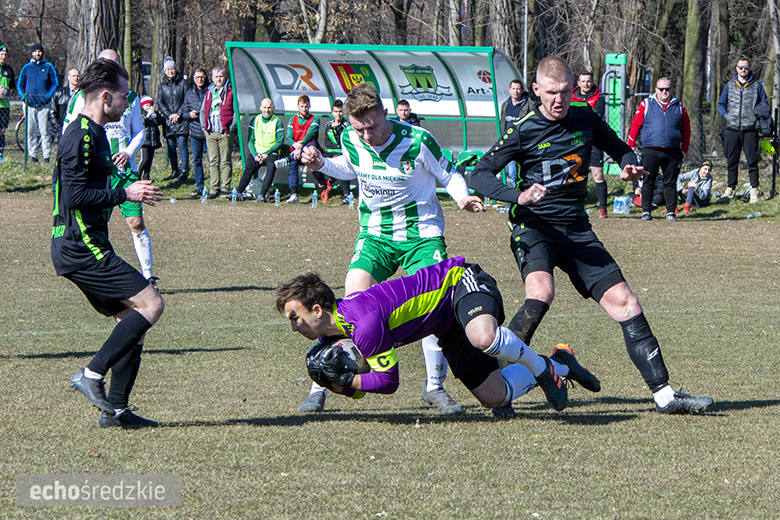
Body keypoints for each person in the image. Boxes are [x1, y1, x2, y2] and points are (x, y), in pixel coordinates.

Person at [468, 56, 713, 415]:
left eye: (565, 91)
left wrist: (628, 163)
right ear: (536, 90)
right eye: (551, 93)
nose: (559, 100)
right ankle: (500, 386)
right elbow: (480, 175)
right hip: (534, 227)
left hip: (577, 229)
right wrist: (517, 196)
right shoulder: (522, 128)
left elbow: (617, 145)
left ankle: (665, 397)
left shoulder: (585, 116)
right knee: (541, 293)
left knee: (627, 302)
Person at [301, 82, 485, 414]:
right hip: (375, 234)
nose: (367, 135)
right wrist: (321, 165)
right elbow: (350, 167)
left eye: (372, 126)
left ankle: (434, 388)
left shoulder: (417, 141)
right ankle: (321, 385)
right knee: (349, 302)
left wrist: (462, 197)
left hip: (421, 236)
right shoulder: (350, 137)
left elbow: (448, 173)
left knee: (434, 308)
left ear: (385, 114)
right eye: (360, 128)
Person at [276, 257, 602, 412]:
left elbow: (388, 383)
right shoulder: (333, 337)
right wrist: (342, 388)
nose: (294, 327)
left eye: (295, 317)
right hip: (444, 324)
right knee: (494, 397)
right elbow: (363, 389)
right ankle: (561, 363)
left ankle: (543, 371)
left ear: (317, 309)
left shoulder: (364, 325)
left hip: (460, 282)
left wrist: (344, 383)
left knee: (483, 336)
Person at [52, 58, 164, 428]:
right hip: (82, 246)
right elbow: (75, 197)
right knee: (151, 303)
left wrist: (128, 182)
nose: (127, 100)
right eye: (122, 94)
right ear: (105, 97)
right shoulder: (80, 135)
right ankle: (91, 374)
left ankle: (116, 411)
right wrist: (124, 191)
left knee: (131, 322)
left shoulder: (96, 133)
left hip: (88, 243)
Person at [62, 49, 159, 287]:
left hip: (125, 172)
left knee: (136, 222)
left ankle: (148, 275)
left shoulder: (130, 96)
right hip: (99, 172)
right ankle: (100, 270)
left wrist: (127, 152)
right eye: (106, 64)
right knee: (97, 223)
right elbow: (68, 129)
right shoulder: (82, 100)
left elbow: (139, 131)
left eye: (114, 64)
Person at [628, 77, 690, 222]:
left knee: (670, 183)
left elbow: (686, 129)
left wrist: (684, 149)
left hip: (672, 151)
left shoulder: (680, 107)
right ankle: (646, 211)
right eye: (661, 89)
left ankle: (671, 212)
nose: (664, 92)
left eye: (667, 89)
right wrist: (630, 145)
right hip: (650, 150)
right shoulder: (646, 104)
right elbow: (635, 125)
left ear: (671, 90)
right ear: (656, 89)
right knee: (648, 181)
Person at [718, 58, 769, 204]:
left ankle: (754, 190)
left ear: (749, 68)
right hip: (732, 128)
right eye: (740, 67)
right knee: (731, 161)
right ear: (736, 68)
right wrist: (726, 115)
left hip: (750, 129)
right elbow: (721, 104)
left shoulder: (757, 85)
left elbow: (764, 103)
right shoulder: (729, 85)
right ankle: (730, 189)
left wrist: (756, 115)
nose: (743, 70)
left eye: (745, 67)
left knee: (752, 161)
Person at [573, 72, 609, 218]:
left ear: (592, 82)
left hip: (593, 139)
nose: (586, 84)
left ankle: (603, 208)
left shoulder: (599, 97)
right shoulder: (571, 96)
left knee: (597, 174)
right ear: (578, 82)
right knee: (575, 173)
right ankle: (577, 204)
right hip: (575, 139)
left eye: (589, 81)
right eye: (583, 81)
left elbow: (596, 116)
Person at [17, 43, 58, 163]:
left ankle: (46, 156)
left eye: (39, 51)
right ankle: (33, 155)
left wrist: (47, 97)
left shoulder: (49, 66)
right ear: (32, 53)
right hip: (29, 104)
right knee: (31, 131)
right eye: (35, 51)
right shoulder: (26, 67)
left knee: (45, 131)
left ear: (42, 53)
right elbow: (20, 84)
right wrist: (24, 97)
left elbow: (55, 83)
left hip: (44, 105)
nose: (37, 53)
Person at [236, 97, 283, 202]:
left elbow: (280, 141)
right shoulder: (255, 120)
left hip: (271, 152)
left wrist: (266, 153)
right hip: (257, 152)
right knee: (249, 167)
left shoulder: (277, 121)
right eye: (265, 107)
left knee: (271, 166)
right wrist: (255, 155)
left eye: (269, 107)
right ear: (260, 108)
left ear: (273, 108)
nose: (267, 110)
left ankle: (262, 194)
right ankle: (239, 192)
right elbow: (250, 141)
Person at [200, 66, 235, 199]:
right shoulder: (209, 92)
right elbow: (203, 110)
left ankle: (225, 189)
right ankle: (214, 189)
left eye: (221, 76)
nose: (218, 79)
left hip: (225, 131)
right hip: (211, 131)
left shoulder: (231, 91)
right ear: (212, 78)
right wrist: (204, 127)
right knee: (213, 161)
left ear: (225, 77)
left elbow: (236, 109)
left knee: (225, 161)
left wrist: (232, 127)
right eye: (216, 77)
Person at [157, 58, 189, 182]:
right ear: (165, 71)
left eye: (172, 69)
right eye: (168, 69)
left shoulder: (183, 83)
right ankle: (174, 170)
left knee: (182, 145)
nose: (171, 71)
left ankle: (184, 170)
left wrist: (178, 114)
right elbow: (160, 102)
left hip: (181, 120)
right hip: (168, 120)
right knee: (171, 146)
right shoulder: (162, 86)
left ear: (176, 70)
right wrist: (169, 115)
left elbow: (187, 99)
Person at [284, 94, 319, 204]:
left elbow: (310, 135)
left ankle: (324, 186)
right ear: (298, 107)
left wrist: (300, 147)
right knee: (294, 163)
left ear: (309, 106)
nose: (304, 109)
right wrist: (296, 146)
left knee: (312, 152)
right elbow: (289, 138)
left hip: (309, 150)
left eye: (306, 106)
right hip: (297, 150)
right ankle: (294, 194)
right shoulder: (292, 120)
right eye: (302, 106)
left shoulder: (314, 119)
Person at [315, 99, 351, 204]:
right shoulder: (328, 125)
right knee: (314, 161)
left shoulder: (347, 125)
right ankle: (325, 185)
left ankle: (346, 195)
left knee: (343, 165)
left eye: (340, 111)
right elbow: (327, 143)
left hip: (343, 152)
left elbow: (343, 142)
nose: (338, 114)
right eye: (335, 111)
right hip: (330, 152)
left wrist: (337, 129)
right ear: (332, 113)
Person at [498, 80, 530, 189]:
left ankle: (523, 194)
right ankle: (515, 196)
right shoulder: (505, 105)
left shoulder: (529, 105)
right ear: (509, 90)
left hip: (523, 144)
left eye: (518, 89)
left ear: (522, 90)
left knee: (524, 172)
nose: (516, 91)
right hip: (509, 144)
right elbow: (502, 123)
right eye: (513, 89)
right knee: (512, 173)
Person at [184, 67, 209, 198]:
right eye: (197, 77)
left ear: (205, 78)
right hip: (194, 132)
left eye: (202, 77)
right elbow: (183, 112)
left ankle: (215, 186)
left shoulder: (210, 91)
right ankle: (199, 186)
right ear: (194, 79)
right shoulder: (190, 93)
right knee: (197, 160)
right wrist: (189, 114)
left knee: (213, 160)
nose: (199, 79)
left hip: (208, 130)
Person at [49, 67, 80, 143]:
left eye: (78, 76)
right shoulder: (58, 94)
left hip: (79, 131)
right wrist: (60, 129)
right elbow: (52, 113)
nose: (76, 78)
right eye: (73, 76)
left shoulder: (84, 95)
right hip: (62, 131)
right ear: (68, 77)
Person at [138, 96, 164, 181]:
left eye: (150, 105)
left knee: (149, 161)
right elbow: (141, 124)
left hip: (153, 140)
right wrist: (147, 116)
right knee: (144, 159)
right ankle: (137, 175)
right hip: (145, 140)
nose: (149, 107)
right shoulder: (141, 114)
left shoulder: (154, 114)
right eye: (146, 105)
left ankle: (146, 177)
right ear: (142, 106)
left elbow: (160, 121)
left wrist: (155, 115)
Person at [0, 45, 15, 163]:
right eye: (1, 54)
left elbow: (13, 88)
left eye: (5, 55)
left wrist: (8, 92)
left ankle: (0, 154)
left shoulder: (9, 70)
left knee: (2, 131)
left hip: (4, 106)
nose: (3, 57)